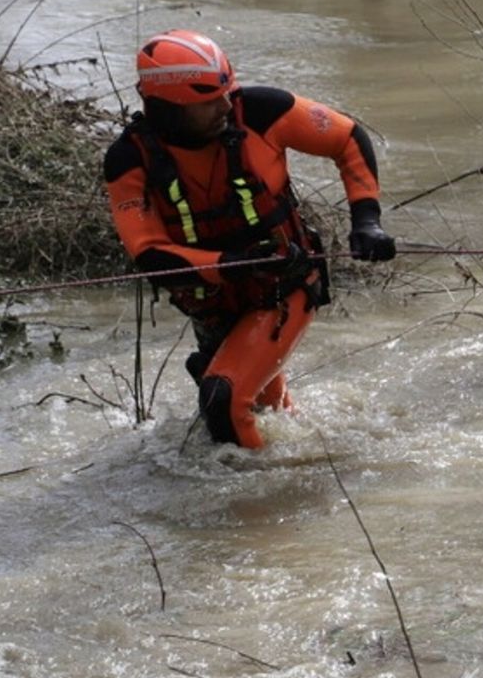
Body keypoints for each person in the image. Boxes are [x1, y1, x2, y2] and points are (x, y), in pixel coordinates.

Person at [103, 30, 396, 449]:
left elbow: (347, 138)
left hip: (286, 283)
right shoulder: (127, 161)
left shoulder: (261, 111)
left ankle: (255, 503)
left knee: (222, 400)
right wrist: (232, 262)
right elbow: (151, 254)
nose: (226, 104)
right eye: (209, 100)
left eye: (228, 90)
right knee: (262, 410)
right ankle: (301, 456)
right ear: (166, 108)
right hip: (214, 304)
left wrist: (366, 221)